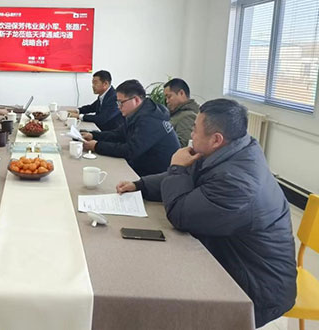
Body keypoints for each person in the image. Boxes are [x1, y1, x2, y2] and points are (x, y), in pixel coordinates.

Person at [116, 99, 297, 328]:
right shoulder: (231, 150)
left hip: (256, 290)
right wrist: (140, 185)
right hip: (231, 256)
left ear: (216, 139)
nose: (191, 134)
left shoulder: (237, 182)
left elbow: (180, 214)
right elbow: (190, 174)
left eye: (195, 129)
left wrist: (176, 167)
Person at [82, 79, 179, 176]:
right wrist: (93, 135)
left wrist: (97, 146)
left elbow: (130, 150)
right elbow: (118, 134)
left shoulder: (150, 120)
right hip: (142, 166)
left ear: (136, 100)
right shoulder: (138, 113)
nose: (119, 107)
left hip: (156, 175)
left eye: (121, 102)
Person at [163, 78, 200, 147]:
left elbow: (182, 146)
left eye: (169, 97)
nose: (167, 101)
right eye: (166, 98)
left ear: (181, 93)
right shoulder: (177, 114)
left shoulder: (188, 116)